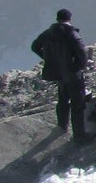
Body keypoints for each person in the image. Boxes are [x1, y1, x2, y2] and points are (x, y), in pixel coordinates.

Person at [30, 9, 91, 142]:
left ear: (57, 18)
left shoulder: (48, 33)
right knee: (78, 103)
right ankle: (79, 135)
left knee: (63, 100)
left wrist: (49, 59)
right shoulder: (72, 33)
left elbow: (35, 46)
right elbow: (82, 53)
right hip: (73, 74)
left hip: (58, 73)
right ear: (69, 18)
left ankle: (62, 126)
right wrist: (78, 67)